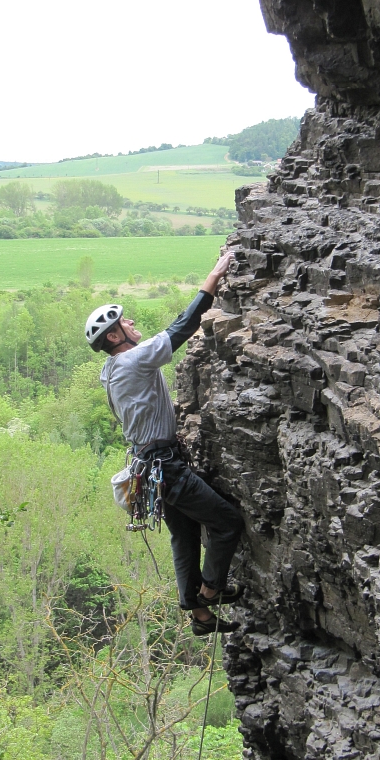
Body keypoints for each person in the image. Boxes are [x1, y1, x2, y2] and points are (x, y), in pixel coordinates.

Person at [84, 253, 244, 635]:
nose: (132, 322)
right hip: (164, 467)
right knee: (227, 523)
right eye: (124, 321)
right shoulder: (132, 361)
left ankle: (199, 616)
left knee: (184, 535)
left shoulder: (109, 371)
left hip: (150, 468)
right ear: (113, 336)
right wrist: (213, 277)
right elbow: (182, 327)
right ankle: (209, 591)